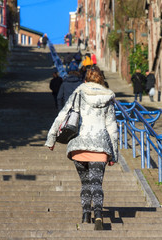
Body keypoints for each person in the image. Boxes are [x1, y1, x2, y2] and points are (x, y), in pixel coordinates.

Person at [45, 69, 118, 230]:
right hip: (100, 147)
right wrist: (114, 154)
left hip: (78, 146)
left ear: (85, 80)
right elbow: (112, 128)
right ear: (101, 82)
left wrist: (51, 139)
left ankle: (86, 215)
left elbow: (62, 116)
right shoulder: (108, 98)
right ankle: (98, 214)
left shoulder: (78, 94)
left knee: (85, 183)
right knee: (97, 183)